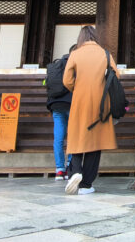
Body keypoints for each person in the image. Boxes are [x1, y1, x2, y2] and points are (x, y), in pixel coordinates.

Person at [62, 25, 119, 195]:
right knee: (95, 142)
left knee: (77, 137)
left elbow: (66, 80)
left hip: (80, 102)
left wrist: (77, 89)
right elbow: (116, 75)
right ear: (95, 36)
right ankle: (86, 184)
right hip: (101, 103)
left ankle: (75, 172)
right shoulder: (105, 53)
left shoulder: (75, 54)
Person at [45, 44, 76, 180]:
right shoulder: (74, 65)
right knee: (72, 136)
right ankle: (70, 164)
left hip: (55, 104)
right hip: (70, 103)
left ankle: (59, 169)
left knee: (58, 137)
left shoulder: (55, 65)